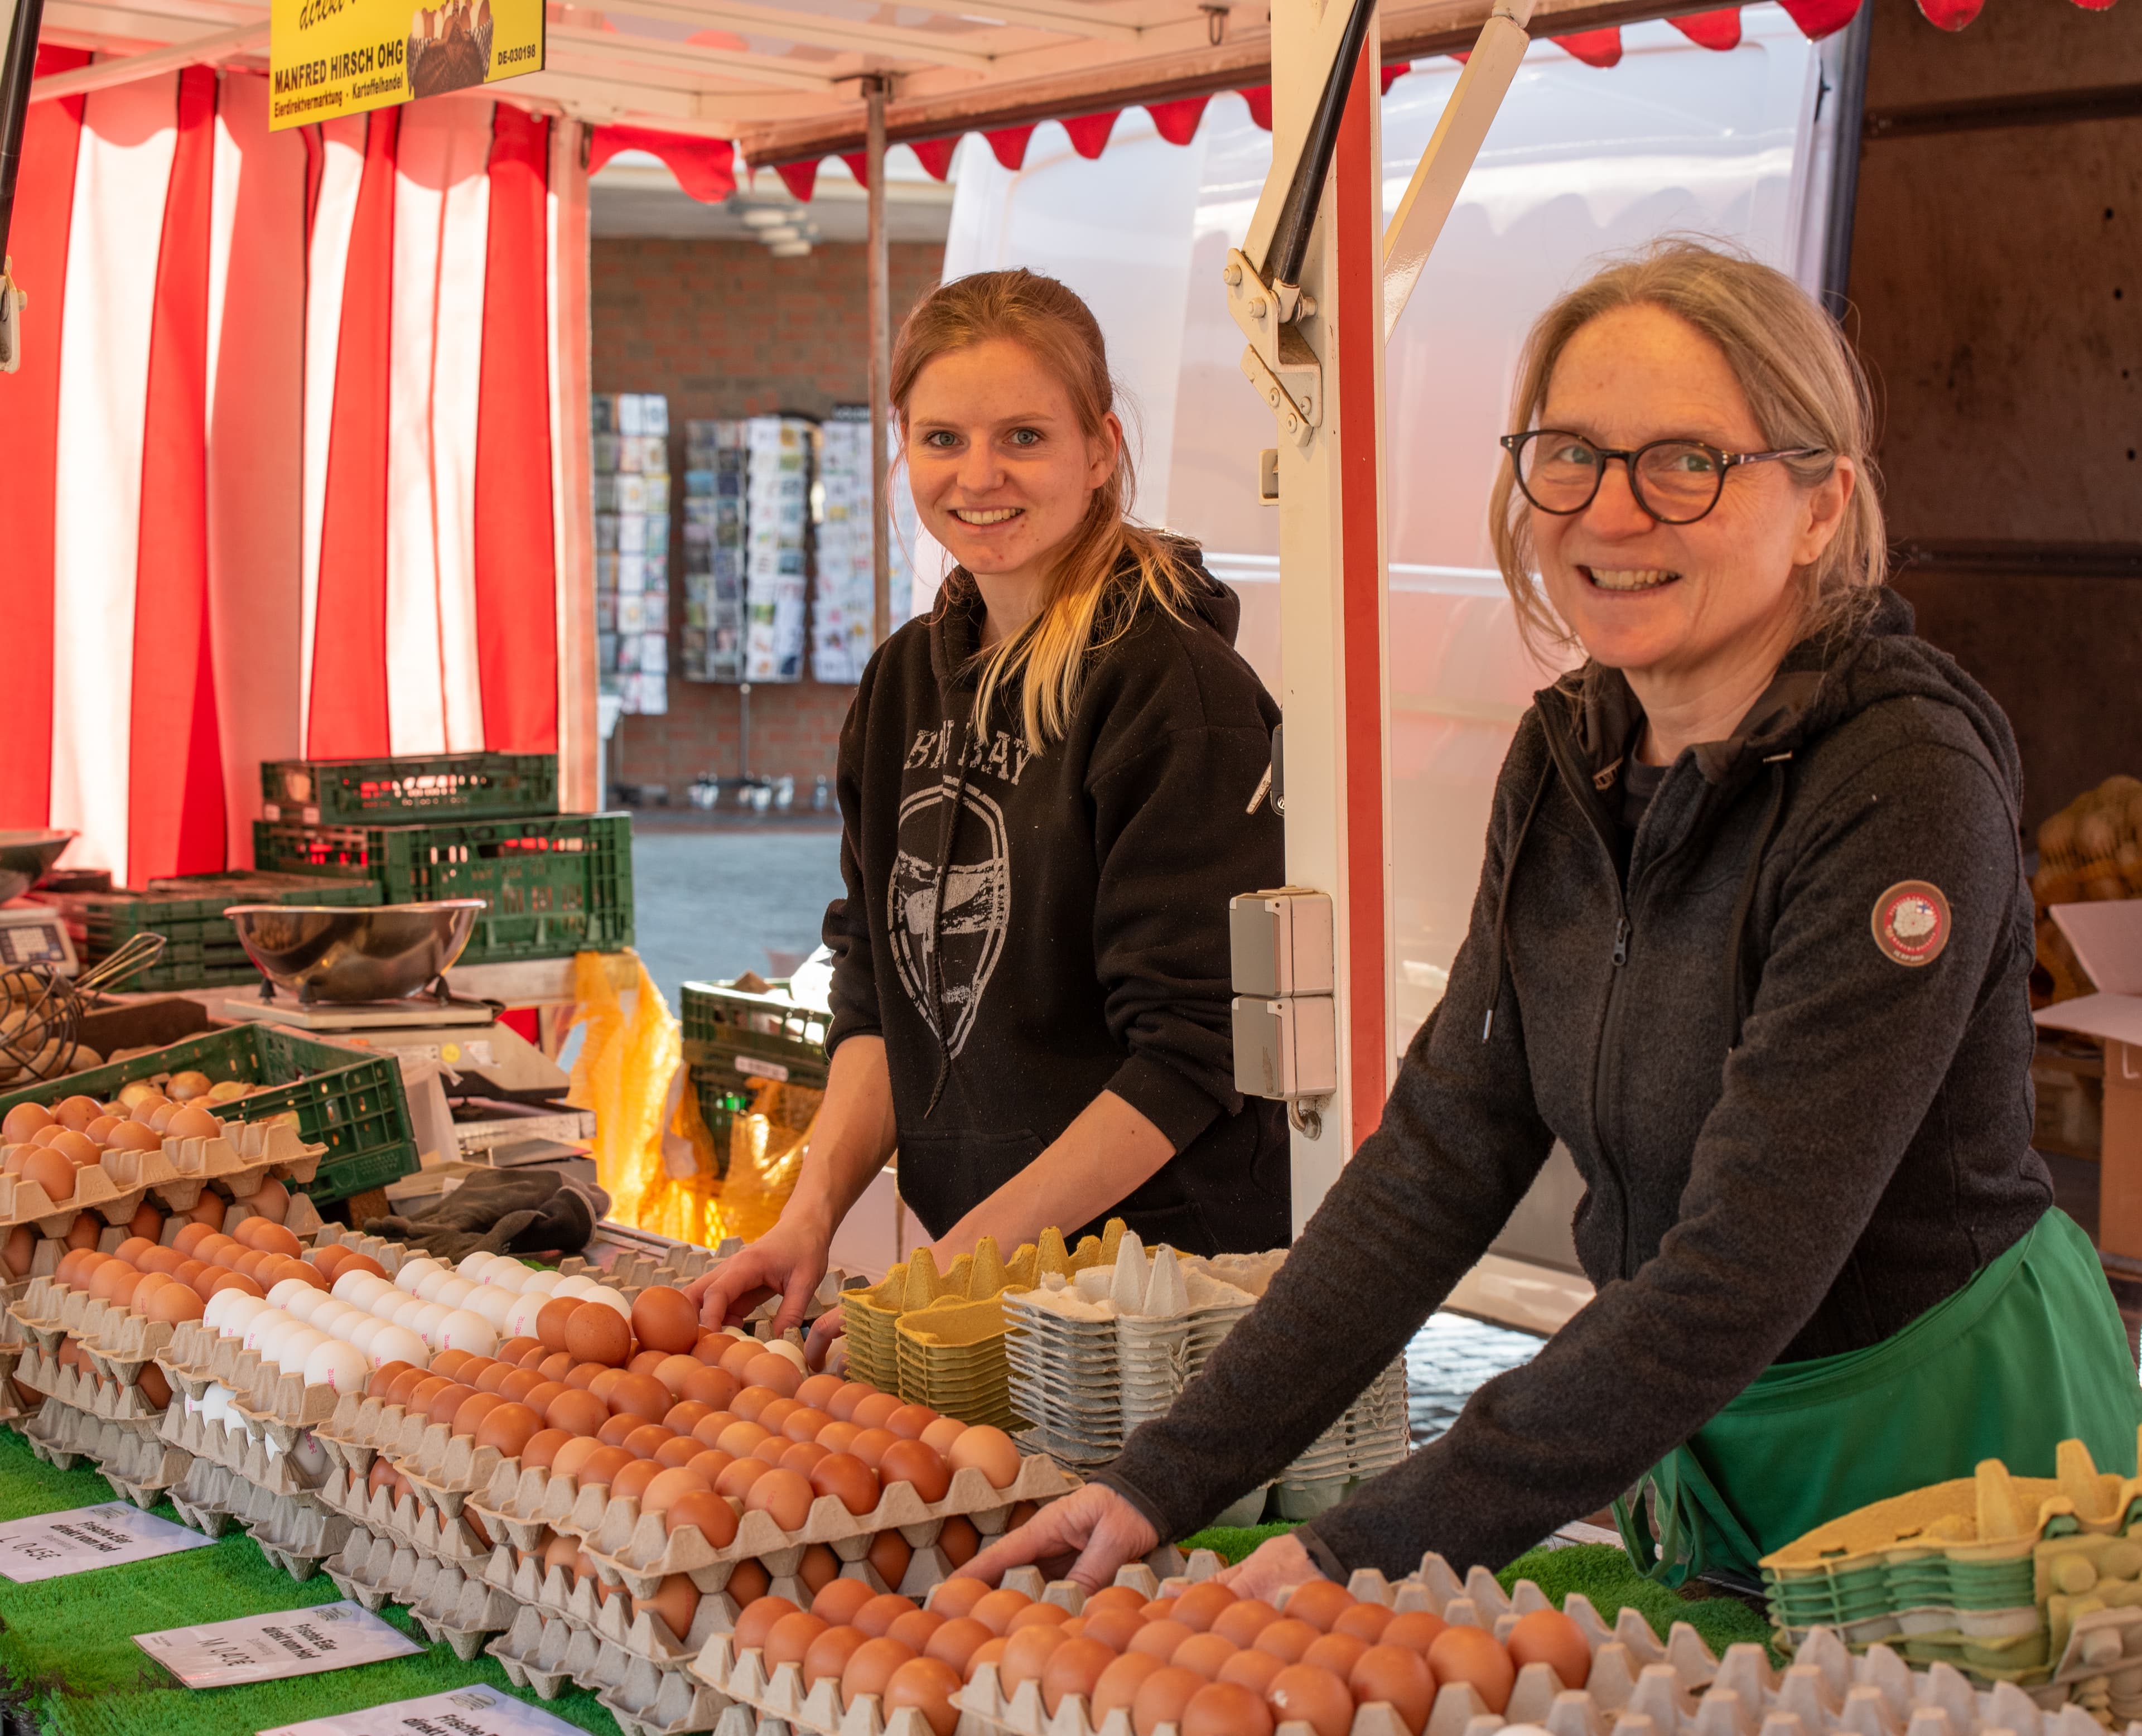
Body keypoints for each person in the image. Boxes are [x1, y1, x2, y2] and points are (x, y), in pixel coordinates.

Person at [966, 239, 2142, 1600]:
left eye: (1687, 461)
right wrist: (1162, 1475)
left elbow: (1742, 1265)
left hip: (1945, 1452)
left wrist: (1363, 1546)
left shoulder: (1900, 786)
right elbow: (1439, 1157)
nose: (1612, 513)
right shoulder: (1568, 759)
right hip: (1692, 1422)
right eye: (1568, 454)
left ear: (1821, 505)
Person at [691, 268, 1291, 1342]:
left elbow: (1195, 1052)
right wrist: (809, 1218)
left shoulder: (1170, 687)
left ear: (1100, 448)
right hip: (997, 1268)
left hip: (1155, 1291)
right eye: (942, 440)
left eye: (1023, 436)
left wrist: (960, 1264)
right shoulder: (904, 681)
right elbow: (875, 994)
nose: (980, 477)